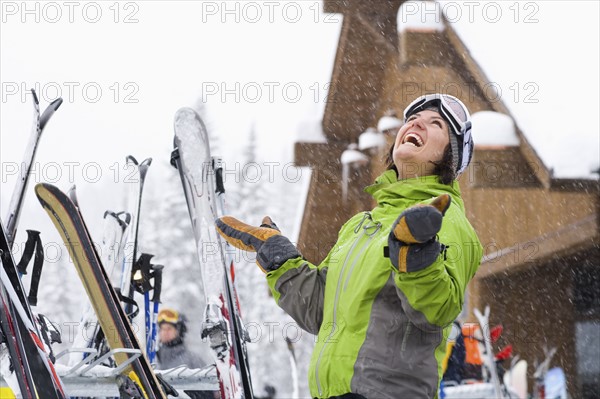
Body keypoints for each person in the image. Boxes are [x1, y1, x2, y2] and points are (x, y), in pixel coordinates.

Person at [216, 93, 483, 399]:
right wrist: (282, 261)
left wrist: (417, 257)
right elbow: (319, 310)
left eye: (435, 124)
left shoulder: (448, 220)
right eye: (412, 120)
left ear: (452, 155)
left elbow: (438, 310)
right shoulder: (361, 226)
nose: (417, 123)